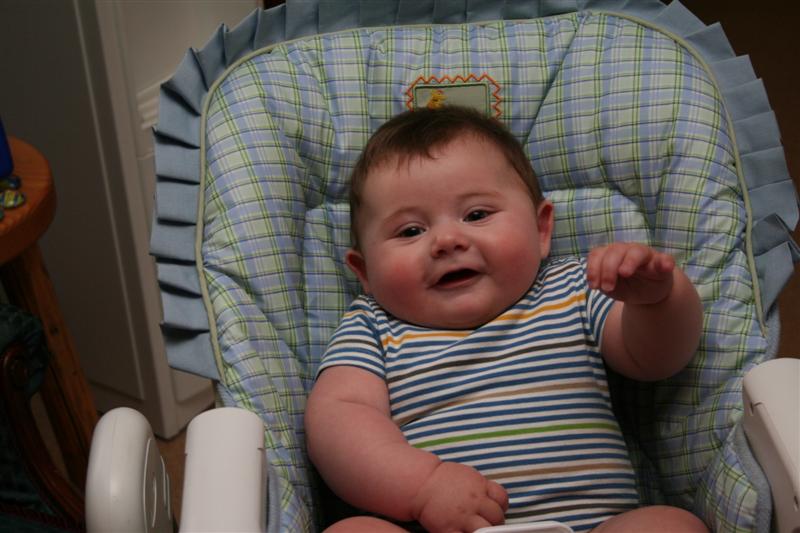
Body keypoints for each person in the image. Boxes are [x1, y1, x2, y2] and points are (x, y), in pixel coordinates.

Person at [305, 106, 708, 533]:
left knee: (671, 525)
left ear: (541, 229)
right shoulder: (372, 325)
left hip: (591, 528)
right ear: (365, 271)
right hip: (442, 528)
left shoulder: (574, 288)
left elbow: (655, 359)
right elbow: (338, 422)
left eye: (476, 215)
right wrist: (422, 486)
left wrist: (657, 300)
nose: (447, 240)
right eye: (410, 231)